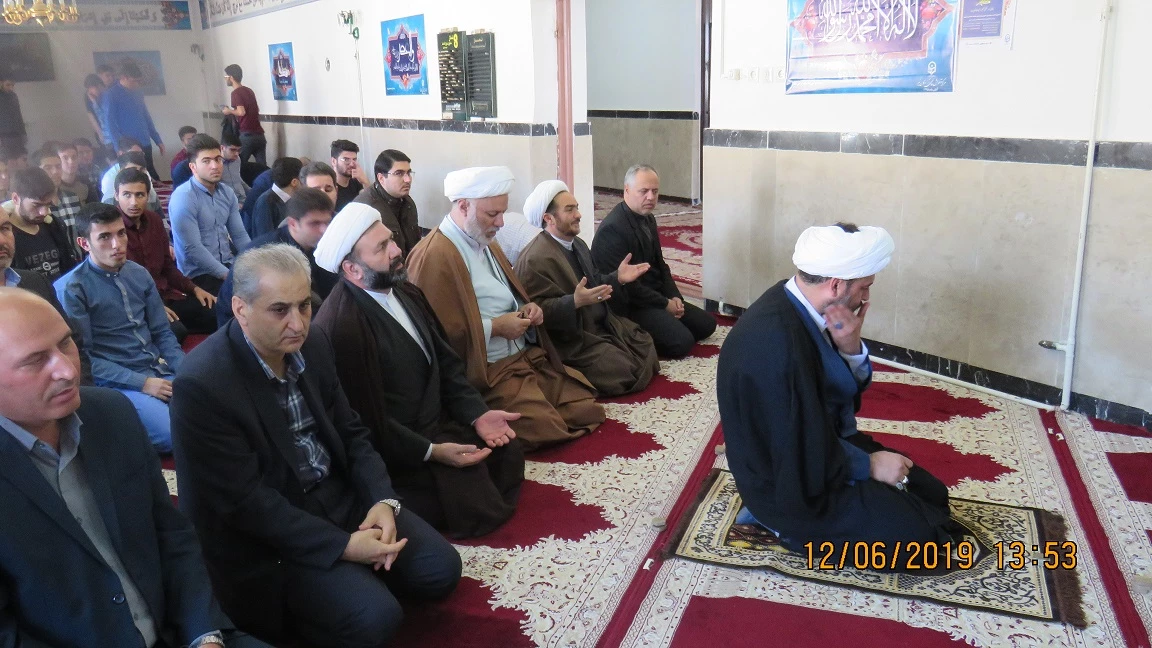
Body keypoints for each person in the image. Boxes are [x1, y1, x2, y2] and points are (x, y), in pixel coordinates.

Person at [171, 244, 462, 647]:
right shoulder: (203, 383)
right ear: (240, 309)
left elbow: (352, 432)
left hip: (338, 496)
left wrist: (382, 501)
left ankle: (351, 583)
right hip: (272, 535)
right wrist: (344, 547)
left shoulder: (314, 343)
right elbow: (246, 503)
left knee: (441, 569)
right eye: (280, 310)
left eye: (304, 305)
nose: (297, 323)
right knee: (377, 618)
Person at [0, 288, 270, 648]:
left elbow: (172, 534)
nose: (67, 369)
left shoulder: (111, 413)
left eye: (66, 343)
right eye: (35, 361)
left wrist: (204, 634)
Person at [717, 223, 959, 571]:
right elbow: (793, 445)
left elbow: (837, 401)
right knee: (922, 544)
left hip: (820, 449)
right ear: (835, 285)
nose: (865, 299)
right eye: (864, 288)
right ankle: (785, 529)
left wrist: (848, 347)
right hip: (789, 483)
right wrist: (868, 465)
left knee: (933, 495)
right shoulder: (776, 342)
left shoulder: (800, 305)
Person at [313, 203, 524, 537]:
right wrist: (432, 452)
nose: (397, 250)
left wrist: (476, 414)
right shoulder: (344, 327)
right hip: (399, 448)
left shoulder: (405, 291)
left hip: (437, 422)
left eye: (391, 239)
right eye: (382, 248)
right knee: (471, 496)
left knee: (507, 450)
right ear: (352, 269)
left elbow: (446, 363)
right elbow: (366, 420)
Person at [406, 166, 604, 451]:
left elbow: (509, 293)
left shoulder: (485, 239)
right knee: (548, 429)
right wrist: (495, 328)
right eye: (492, 214)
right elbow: (433, 334)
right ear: (463, 206)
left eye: (502, 213)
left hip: (521, 357)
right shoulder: (436, 254)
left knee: (585, 408)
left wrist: (528, 307)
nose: (500, 222)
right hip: (488, 373)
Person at [56, 203, 184, 453]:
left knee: (211, 406)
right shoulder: (73, 288)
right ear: (84, 244)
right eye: (105, 237)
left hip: (156, 369)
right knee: (173, 435)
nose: (117, 244)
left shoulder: (139, 273)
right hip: (117, 383)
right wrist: (142, 383)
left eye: (121, 233)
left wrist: (186, 370)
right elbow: (84, 359)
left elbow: (162, 332)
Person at [516, 181, 659, 396]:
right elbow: (535, 312)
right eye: (569, 210)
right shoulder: (535, 259)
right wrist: (573, 302)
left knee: (644, 342)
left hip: (598, 322)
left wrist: (617, 278)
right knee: (624, 370)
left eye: (577, 207)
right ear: (549, 218)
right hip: (570, 338)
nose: (578, 215)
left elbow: (595, 281)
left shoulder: (578, 244)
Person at [591, 165, 715, 358]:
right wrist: (664, 304)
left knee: (707, 325)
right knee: (682, 343)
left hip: (652, 294)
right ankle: (631, 339)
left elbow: (661, 264)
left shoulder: (647, 218)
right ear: (627, 190)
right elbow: (627, 287)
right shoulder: (613, 230)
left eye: (655, 191)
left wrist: (675, 297)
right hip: (630, 304)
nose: (650, 197)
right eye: (644, 191)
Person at [116, 167, 217, 339]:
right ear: (116, 196)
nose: (133, 202)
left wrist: (194, 289)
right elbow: (119, 282)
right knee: (176, 332)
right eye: (127, 195)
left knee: (216, 312)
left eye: (139, 195)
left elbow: (167, 267)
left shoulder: (154, 221)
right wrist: (152, 306)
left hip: (167, 295)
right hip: (138, 304)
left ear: (148, 195)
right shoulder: (113, 229)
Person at [216, 187, 337, 326]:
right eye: (314, 223)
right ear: (293, 224)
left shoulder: (317, 246)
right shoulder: (268, 255)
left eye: (327, 222)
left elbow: (330, 291)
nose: (324, 230)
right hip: (242, 322)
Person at [170, 134, 250, 295]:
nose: (215, 166)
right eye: (206, 161)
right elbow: (193, 249)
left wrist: (256, 260)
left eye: (218, 159)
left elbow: (239, 235)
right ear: (193, 167)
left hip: (227, 264)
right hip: (198, 275)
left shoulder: (227, 193)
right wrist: (230, 276)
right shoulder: (184, 197)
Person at [5, 167, 79, 281]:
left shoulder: (55, 226)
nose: (44, 212)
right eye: (36, 205)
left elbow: (68, 269)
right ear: (16, 198)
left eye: (48, 204)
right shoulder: (5, 237)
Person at [101, 61, 165, 180]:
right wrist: (118, 147)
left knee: (150, 174)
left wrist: (157, 140)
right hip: (128, 147)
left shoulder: (138, 92)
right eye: (135, 81)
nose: (137, 84)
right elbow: (110, 124)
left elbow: (146, 117)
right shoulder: (111, 95)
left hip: (145, 141)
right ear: (124, 77)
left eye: (139, 81)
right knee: (133, 177)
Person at [353, 149, 421, 258]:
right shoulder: (366, 208)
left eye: (408, 173)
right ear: (381, 178)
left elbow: (415, 242)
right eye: (399, 173)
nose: (407, 179)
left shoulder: (407, 202)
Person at [34, 146, 83, 255]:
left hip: (79, 259)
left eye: (58, 166)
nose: (55, 172)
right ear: (37, 172)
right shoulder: (36, 205)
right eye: (48, 168)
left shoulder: (73, 198)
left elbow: (81, 232)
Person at [222, 64, 266, 165]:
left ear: (231, 77)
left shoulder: (236, 93)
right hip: (259, 135)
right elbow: (256, 109)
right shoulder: (249, 91)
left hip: (247, 135)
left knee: (238, 164)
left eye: (226, 77)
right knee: (262, 166)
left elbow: (241, 112)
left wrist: (229, 111)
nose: (225, 79)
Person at [248, 156, 302, 237]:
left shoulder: (293, 199)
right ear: (294, 182)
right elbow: (265, 238)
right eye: (302, 178)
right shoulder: (265, 202)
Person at [101, 149, 163, 214]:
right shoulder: (109, 200)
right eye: (127, 195)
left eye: (142, 170)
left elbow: (160, 218)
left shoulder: (151, 194)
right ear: (121, 171)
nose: (139, 173)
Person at [330, 139, 366, 211]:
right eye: (346, 160)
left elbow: (369, 203)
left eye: (354, 159)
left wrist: (365, 182)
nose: (352, 164)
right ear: (334, 161)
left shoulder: (356, 181)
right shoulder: (329, 187)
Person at [54, 140, 94, 204]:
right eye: (65, 158)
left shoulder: (85, 183)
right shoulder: (54, 186)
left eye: (74, 157)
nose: (71, 162)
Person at [83, 73, 110, 151]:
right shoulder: (88, 96)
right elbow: (91, 115)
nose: (90, 91)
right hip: (100, 128)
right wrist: (99, 133)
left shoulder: (107, 94)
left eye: (93, 88)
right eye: (89, 89)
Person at [219, 132, 249, 201]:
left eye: (239, 150)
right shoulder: (216, 164)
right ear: (222, 148)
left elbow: (238, 178)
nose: (236, 154)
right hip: (227, 200)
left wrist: (251, 191)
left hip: (242, 197)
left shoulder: (237, 159)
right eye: (232, 150)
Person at [0, 77, 25, 153]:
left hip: (17, 133)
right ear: (1, 83)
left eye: (12, 85)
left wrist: (23, 132)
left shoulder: (13, 96)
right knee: (8, 157)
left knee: (20, 155)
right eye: (8, 85)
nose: (11, 88)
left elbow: (18, 114)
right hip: (4, 135)